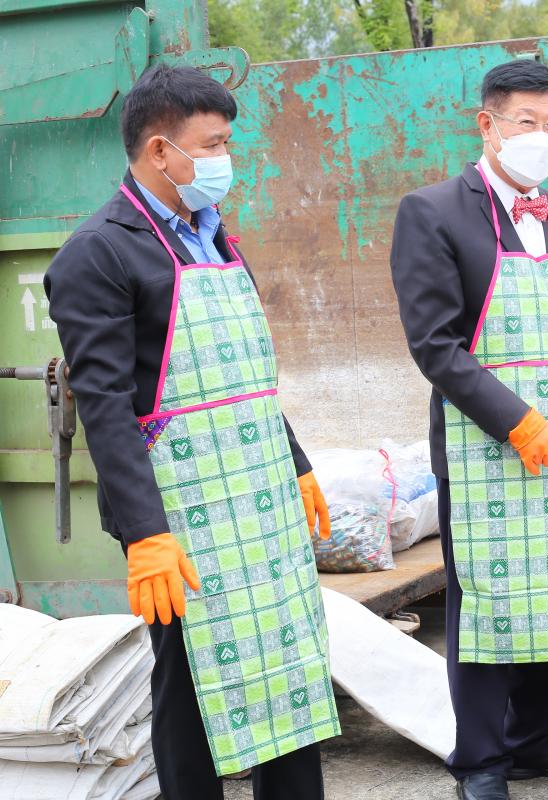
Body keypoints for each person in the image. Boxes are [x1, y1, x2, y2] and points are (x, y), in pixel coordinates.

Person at [44, 65, 339, 798]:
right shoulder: (99, 253)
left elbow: (239, 371)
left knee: (286, 656)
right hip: (178, 511)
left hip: (257, 494)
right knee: (191, 676)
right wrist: (146, 534)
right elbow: (105, 402)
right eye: (212, 145)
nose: (223, 160)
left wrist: (295, 463)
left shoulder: (213, 238)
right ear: (159, 152)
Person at [390, 60, 548, 800]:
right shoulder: (433, 212)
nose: (542, 137)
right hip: (487, 450)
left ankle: (535, 740)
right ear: (486, 125)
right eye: (526, 122)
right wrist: (515, 422)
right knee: (487, 603)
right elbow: (436, 347)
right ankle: (483, 759)